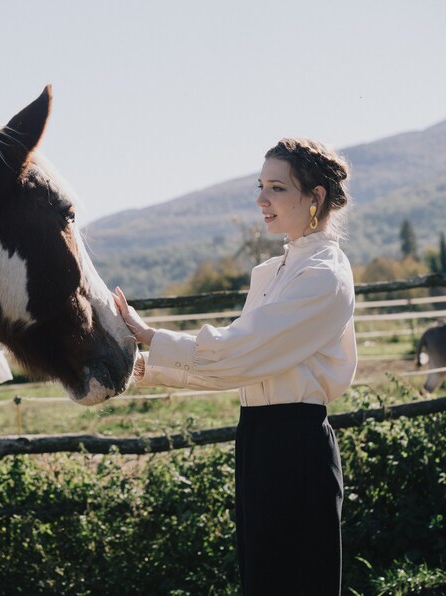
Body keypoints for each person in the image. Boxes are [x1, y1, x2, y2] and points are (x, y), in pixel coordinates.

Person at [113, 138, 357, 595]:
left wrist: (151, 337)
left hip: (297, 445)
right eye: (261, 186)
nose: (262, 200)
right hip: (258, 438)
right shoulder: (272, 273)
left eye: (278, 188)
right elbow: (239, 368)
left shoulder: (324, 276)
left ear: (315, 197)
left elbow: (238, 352)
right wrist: (145, 364)